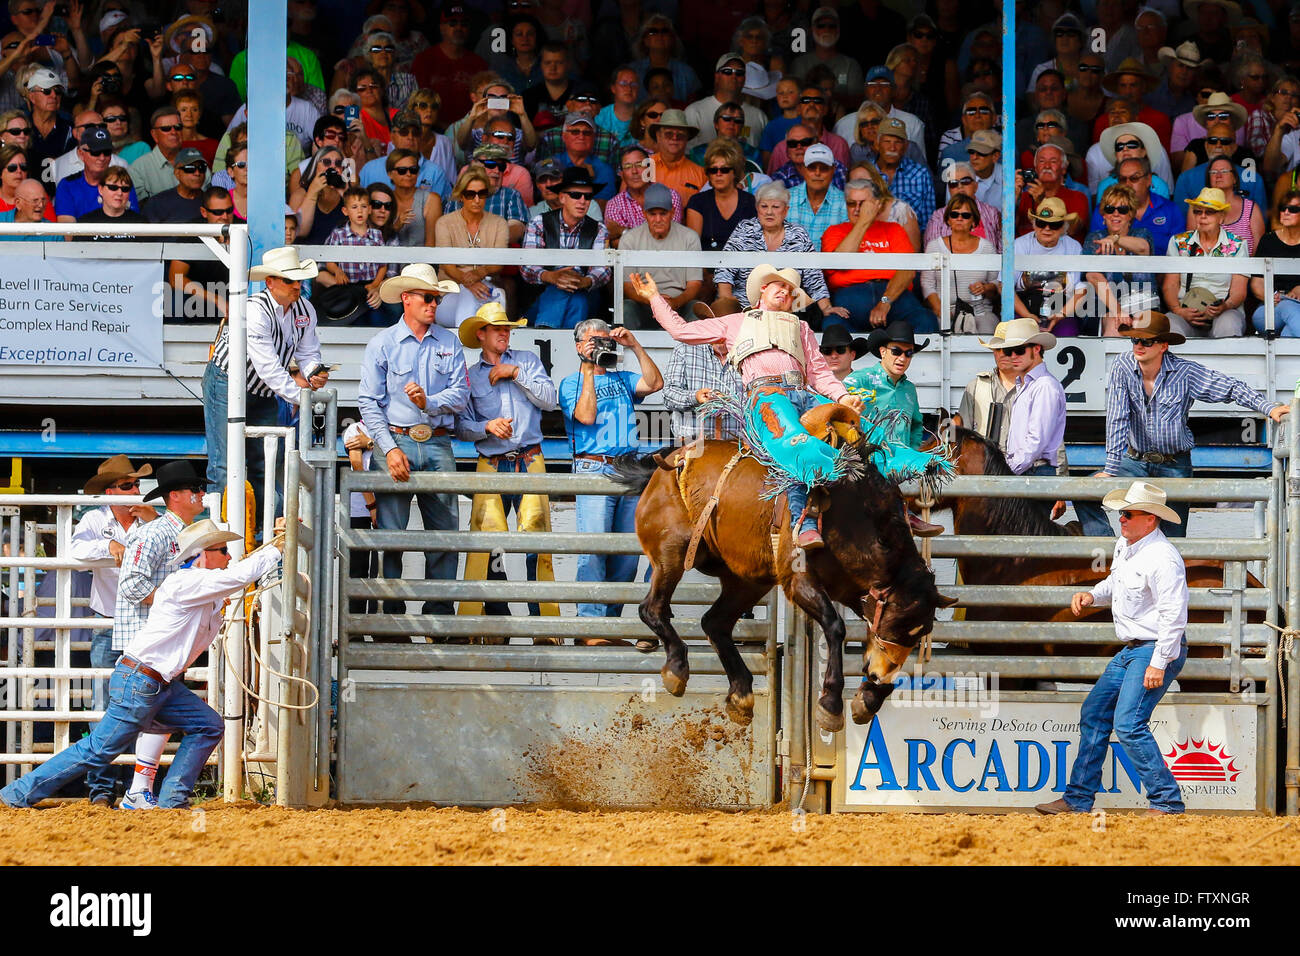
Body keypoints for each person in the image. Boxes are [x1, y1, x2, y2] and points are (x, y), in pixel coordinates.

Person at [0, 520, 284, 811]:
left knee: (207, 725)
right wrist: (279, 547)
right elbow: (239, 576)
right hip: (144, 681)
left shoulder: (193, 586)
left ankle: (172, 800)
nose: (228, 557)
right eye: (222, 550)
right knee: (98, 749)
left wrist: (275, 545)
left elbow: (233, 580)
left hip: (151, 681)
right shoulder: (187, 582)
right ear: (203, 555)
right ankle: (16, 795)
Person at [631, 265, 864, 550]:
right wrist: (655, 297)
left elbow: (819, 373)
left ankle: (886, 503)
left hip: (797, 393)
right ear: (762, 290)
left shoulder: (800, 327)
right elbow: (680, 331)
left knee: (854, 428)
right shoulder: (735, 323)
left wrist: (841, 397)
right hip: (760, 400)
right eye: (777, 285)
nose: (785, 291)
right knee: (791, 442)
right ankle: (802, 522)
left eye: (790, 290)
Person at [1035, 481, 1190, 817]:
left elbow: (1174, 617)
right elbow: (1115, 584)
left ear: (1150, 519)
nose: (1121, 518)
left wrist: (1158, 663)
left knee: (1128, 723)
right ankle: (1078, 798)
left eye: (1128, 513)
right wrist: (1093, 595)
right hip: (1137, 649)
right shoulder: (1128, 544)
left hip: (1153, 648)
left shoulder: (1163, 559)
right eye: (1121, 513)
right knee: (1096, 713)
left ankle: (1166, 801)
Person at [1074, 311, 1289, 538]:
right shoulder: (1122, 366)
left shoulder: (1185, 372)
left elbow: (1231, 387)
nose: (1139, 346)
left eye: (1146, 341)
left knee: (1173, 537)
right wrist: (1111, 469)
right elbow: (1117, 417)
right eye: (1135, 340)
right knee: (1082, 493)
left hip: (1174, 464)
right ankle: (1110, 553)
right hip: (1134, 460)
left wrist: (1269, 407)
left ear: (1163, 346)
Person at [358, 264, 469, 624]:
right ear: (407, 299)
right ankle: (392, 619)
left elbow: (461, 394)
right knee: (392, 537)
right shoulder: (383, 343)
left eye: (436, 298)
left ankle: (437, 617)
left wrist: (429, 403)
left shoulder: (449, 342)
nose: (434, 304)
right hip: (402, 440)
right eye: (428, 297)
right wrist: (389, 449)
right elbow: (368, 402)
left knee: (444, 535)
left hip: (433, 440)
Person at [108, 459, 208, 809]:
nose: (202, 494)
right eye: (196, 489)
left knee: (150, 719)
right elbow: (132, 584)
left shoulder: (173, 533)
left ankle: (138, 789)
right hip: (149, 642)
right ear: (176, 496)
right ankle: (136, 789)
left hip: (156, 641)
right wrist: (172, 602)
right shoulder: (156, 533)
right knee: (125, 729)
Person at [455, 303, 561, 628]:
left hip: (530, 458)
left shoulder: (526, 361)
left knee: (536, 544)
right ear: (481, 335)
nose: (505, 332)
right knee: (490, 546)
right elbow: (461, 426)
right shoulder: (469, 375)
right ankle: (496, 623)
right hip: (492, 460)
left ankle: (543, 627)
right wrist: (486, 427)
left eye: (508, 327)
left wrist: (515, 374)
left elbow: (550, 398)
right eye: (498, 328)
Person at [204, 247, 328, 521]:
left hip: (261, 389)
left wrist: (314, 371)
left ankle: (261, 531)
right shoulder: (253, 310)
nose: (297, 286)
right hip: (227, 383)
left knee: (266, 461)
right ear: (270, 282)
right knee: (225, 462)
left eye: (299, 280)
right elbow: (269, 368)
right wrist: (302, 395)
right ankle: (224, 533)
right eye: (289, 280)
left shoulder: (304, 309)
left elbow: (307, 353)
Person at [559, 317, 663, 626]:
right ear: (580, 346)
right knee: (593, 551)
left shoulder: (622, 377)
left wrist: (634, 345)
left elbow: (655, 383)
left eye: (607, 341)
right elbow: (586, 416)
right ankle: (590, 625)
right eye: (596, 341)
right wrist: (589, 366)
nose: (604, 346)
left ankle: (610, 624)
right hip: (594, 466)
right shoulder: (569, 382)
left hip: (628, 467)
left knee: (627, 556)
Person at [68, 455, 156, 806]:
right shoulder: (94, 520)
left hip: (145, 626)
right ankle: (102, 788)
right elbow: (74, 550)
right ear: (110, 492)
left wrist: (154, 524)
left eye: (136, 484)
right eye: (127, 485)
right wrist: (108, 545)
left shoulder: (151, 517)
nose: (136, 490)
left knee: (142, 706)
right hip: (111, 622)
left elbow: (179, 550)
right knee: (104, 705)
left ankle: (138, 787)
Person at [821, 177, 936, 333]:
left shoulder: (894, 229)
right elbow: (840, 262)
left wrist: (885, 302)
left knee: (926, 320)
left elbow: (907, 271)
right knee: (832, 325)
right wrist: (863, 222)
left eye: (863, 204)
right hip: (851, 297)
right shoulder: (834, 231)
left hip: (894, 296)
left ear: (877, 205)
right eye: (851, 204)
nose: (856, 209)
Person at [975, 319, 1067, 479]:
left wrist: (1006, 471)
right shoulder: (1029, 385)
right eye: (1009, 351)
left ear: (1037, 348)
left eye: (1019, 350)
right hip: (1029, 470)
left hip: (1034, 471)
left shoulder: (1044, 386)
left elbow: (1036, 442)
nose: (1013, 356)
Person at [521, 166, 611, 329]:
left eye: (588, 196)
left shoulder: (598, 229)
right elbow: (527, 267)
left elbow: (603, 270)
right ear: (562, 198)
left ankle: (545, 332)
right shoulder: (539, 222)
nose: (582, 201)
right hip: (542, 295)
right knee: (571, 296)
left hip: (585, 294)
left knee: (576, 296)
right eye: (576, 195)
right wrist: (552, 277)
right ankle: (572, 346)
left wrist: (584, 281)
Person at [1162, 187, 1248, 338]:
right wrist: (1178, 310)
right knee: (1170, 323)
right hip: (1186, 312)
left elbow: (1239, 291)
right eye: (1197, 211)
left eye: (1209, 212)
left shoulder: (1237, 244)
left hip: (1224, 312)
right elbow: (1170, 284)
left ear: (1222, 217)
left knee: (1229, 324)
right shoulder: (1178, 242)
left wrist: (1225, 306)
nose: (1202, 217)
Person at [434, 164, 509, 329]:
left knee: (495, 295)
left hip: (487, 288)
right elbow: (447, 266)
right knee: (472, 296)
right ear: (461, 196)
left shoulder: (499, 223)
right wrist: (469, 283)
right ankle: (466, 344)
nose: (476, 200)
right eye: (470, 194)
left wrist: (479, 273)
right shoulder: (445, 223)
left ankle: (470, 346)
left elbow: (498, 264)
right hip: (449, 293)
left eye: (481, 194)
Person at [620, 183, 703, 329]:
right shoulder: (630, 239)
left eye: (663, 213)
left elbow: (694, 284)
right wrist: (654, 301)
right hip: (644, 303)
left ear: (672, 212)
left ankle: (691, 352)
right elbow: (628, 287)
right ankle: (630, 351)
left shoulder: (690, 238)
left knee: (696, 308)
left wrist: (675, 302)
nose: (658, 219)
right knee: (626, 308)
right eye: (652, 214)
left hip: (678, 304)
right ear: (644, 214)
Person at [661, 298, 745, 442]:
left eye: (728, 330)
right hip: (690, 443)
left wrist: (734, 403)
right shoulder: (685, 348)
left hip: (738, 445)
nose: (721, 335)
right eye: (717, 328)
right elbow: (669, 395)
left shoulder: (749, 354)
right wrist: (695, 397)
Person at [1083, 183, 1157, 337]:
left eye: (1122, 210)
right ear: (1104, 215)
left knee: (1141, 325)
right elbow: (1094, 276)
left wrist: (1115, 238)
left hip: (1144, 306)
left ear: (1131, 214)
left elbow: (1144, 248)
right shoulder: (1095, 238)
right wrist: (1118, 311)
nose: (1115, 214)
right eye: (1110, 209)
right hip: (1107, 309)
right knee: (1115, 326)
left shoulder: (1142, 233)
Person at [922, 193, 1000, 333]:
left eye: (965, 215)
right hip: (946, 311)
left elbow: (996, 283)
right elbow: (927, 284)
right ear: (948, 219)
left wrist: (985, 288)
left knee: (988, 330)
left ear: (974, 221)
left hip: (979, 311)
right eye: (954, 214)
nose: (959, 218)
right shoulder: (934, 246)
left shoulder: (987, 247)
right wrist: (941, 311)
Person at [1013, 198, 1087, 338]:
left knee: (1068, 335)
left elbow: (1080, 289)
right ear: (1034, 225)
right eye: (1041, 223)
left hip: (1060, 311)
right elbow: (1004, 286)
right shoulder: (1019, 245)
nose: (1047, 229)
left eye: (1054, 225)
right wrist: (1027, 315)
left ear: (1064, 227)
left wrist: (1061, 315)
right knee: (1020, 337)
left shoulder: (1073, 247)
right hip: (1025, 309)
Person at [684, 53, 766, 151]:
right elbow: (687, 154)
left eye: (739, 73)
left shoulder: (759, 116)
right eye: (727, 71)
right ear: (717, 76)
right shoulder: (694, 111)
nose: (734, 76)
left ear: (744, 79)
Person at [685, 138, 755, 252]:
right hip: (706, 268)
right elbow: (693, 249)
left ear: (734, 172)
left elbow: (753, 247)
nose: (718, 174)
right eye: (713, 170)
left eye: (724, 170)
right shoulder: (697, 202)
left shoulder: (750, 202)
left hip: (741, 268)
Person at [54, 126, 137, 222]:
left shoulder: (122, 185)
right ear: (81, 154)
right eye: (95, 152)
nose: (102, 158)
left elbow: (132, 222)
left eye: (106, 152)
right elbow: (68, 232)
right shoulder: (67, 185)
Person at [869, 116, 935, 226]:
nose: (892, 148)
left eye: (898, 142)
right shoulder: (865, 173)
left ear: (905, 146)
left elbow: (928, 221)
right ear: (877, 144)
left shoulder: (920, 174)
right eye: (887, 141)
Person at [1250, 190, 1300, 336]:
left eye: (1293, 209)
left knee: (1288, 334)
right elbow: (1256, 283)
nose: (1286, 212)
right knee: (1287, 306)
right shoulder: (1268, 240)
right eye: (1282, 208)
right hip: (1268, 308)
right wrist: (1270, 297)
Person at [786, 143, 846, 246]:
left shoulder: (846, 203)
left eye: (824, 168)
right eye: (812, 167)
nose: (817, 173)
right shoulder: (786, 199)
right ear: (803, 170)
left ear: (833, 170)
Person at [127, 106, 186, 203]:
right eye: (166, 128)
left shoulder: (197, 162)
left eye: (178, 127)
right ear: (154, 135)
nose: (173, 132)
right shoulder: (138, 169)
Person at [648, 108, 706, 200]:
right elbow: (625, 201)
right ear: (658, 136)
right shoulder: (641, 167)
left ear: (687, 138)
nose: (674, 138)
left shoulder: (701, 174)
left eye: (680, 135)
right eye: (669, 134)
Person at [141, 146, 205, 223]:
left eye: (202, 168)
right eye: (190, 168)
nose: (197, 173)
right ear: (177, 173)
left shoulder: (212, 203)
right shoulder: (157, 203)